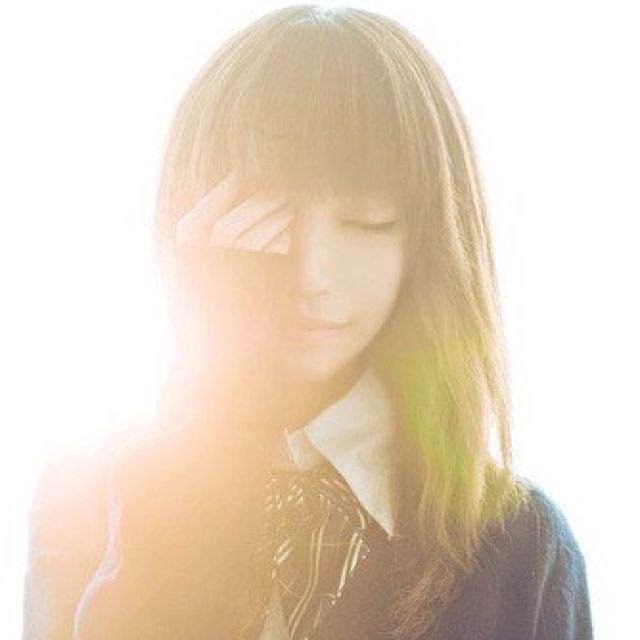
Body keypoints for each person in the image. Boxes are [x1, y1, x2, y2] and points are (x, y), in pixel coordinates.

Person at [22, 4, 593, 639]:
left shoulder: (520, 547)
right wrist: (206, 411)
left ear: (426, 243)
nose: (311, 274)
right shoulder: (86, 494)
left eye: (367, 220)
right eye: (268, 215)